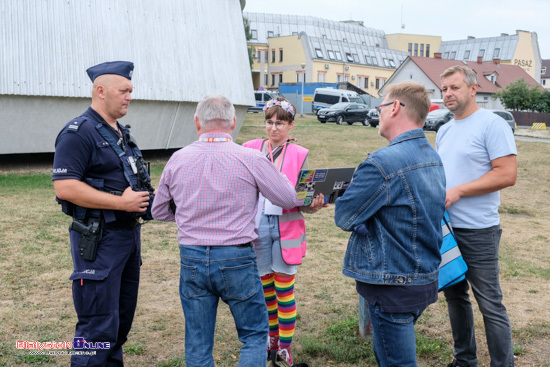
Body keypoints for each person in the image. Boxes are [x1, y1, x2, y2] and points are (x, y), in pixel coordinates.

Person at [151, 95, 301, 367]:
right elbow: (288, 199)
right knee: (255, 334)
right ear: (233, 122)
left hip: (192, 257)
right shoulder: (251, 158)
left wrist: (191, 215)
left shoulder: (177, 159)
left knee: (198, 340)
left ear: (197, 122)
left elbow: (158, 211)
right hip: (237, 258)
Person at [334, 81, 446, 367]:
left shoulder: (382, 163)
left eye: (381, 106)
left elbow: (345, 216)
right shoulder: (432, 156)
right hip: (422, 279)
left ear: (395, 107)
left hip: (392, 284)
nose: (379, 112)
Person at [53, 61, 154, 366]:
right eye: (124, 90)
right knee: (97, 327)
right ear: (100, 91)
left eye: (130, 91)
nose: (129, 97)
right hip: (99, 240)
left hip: (127, 237)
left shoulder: (121, 133)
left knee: (119, 323)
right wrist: (120, 204)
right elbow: (65, 187)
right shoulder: (78, 133)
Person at [437, 65, 517, 367]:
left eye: (454, 88)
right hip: (447, 228)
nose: (448, 94)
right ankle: (464, 360)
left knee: (490, 304)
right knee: (455, 297)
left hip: (479, 230)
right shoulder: (444, 129)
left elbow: (507, 174)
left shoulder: (492, 124)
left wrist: (459, 191)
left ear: (473, 89)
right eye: (444, 89)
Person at [243, 97, 328, 365]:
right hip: (258, 227)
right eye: (269, 122)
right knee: (265, 287)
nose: (274, 128)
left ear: (290, 125)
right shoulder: (250, 148)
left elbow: (304, 198)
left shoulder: (299, 153)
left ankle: (285, 346)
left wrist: (313, 206)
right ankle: (271, 338)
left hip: (287, 226)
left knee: (284, 289)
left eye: (280, 123)